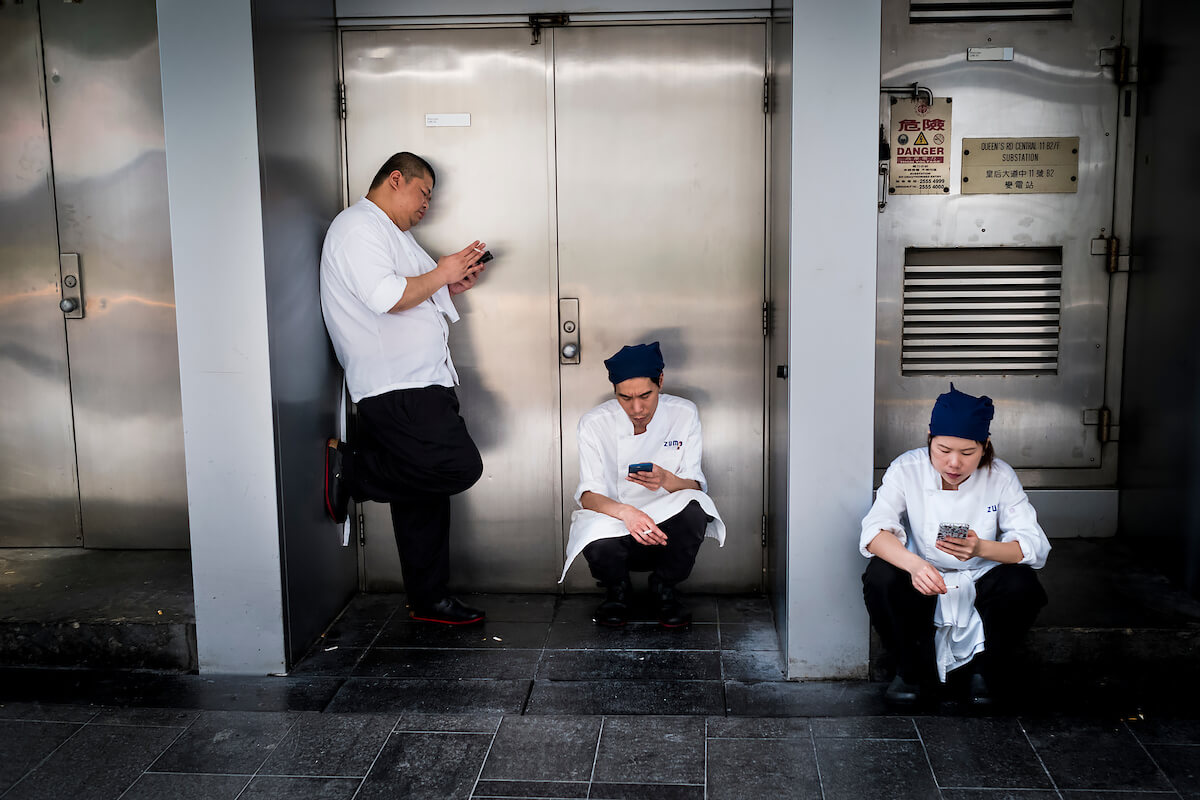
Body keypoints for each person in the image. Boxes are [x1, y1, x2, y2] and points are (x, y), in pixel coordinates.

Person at [320, 151, 490, 626]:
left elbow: (415, 291)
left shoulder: (395, 236)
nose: (426, 206)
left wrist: (450, 284)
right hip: (398, 386)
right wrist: (442, 271)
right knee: (459, 467)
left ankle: (428, 598)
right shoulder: (359, 227)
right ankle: (352, 474)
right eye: (424, 193)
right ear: (396, 179)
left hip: (420, 382)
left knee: (423, 496)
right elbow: (387, 297)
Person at [860, 383, 1050, 705]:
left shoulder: (1000, 476)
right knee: (880, 576)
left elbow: (1032, 544)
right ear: (929, 438)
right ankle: (908, 669)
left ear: (985, 446)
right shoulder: (907, 469)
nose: (954, 464)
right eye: (943, 450)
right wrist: (915, 564)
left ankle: (985, 671)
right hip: (925, 578)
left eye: (967, 453)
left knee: (1023, 584)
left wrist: (981, 549)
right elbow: (874, 533)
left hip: (980, 578)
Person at [560, 342, 726, 628]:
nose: (636, 409)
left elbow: (695, 488)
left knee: (696, 510)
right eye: (625, 398)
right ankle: (617, 593)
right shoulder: (594, 423)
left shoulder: (683, 414)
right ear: (615, 393)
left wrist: (665, 479)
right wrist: (627, 513)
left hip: (666, 515)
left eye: (645, 396)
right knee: (592, 526)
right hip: (614, 516)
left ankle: (665, 589)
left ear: (660, 381)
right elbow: (588, 495)